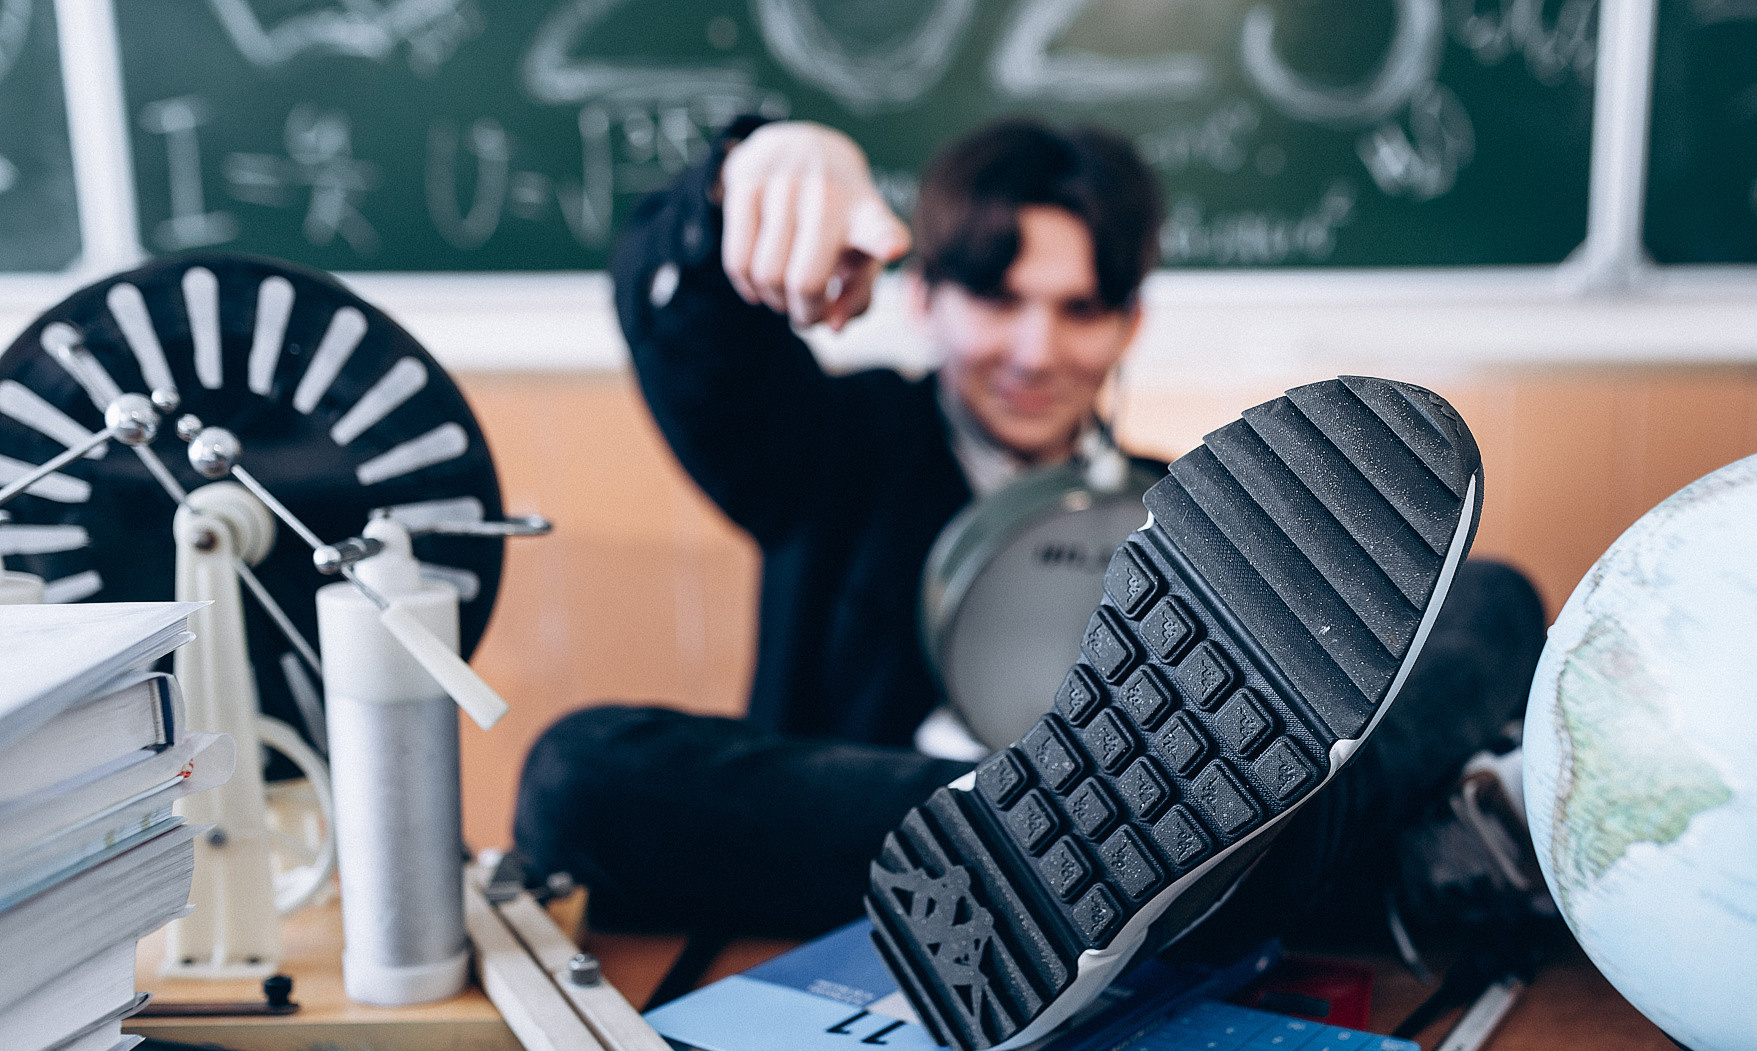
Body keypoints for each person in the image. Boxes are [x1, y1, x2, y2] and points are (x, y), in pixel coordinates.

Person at [513, 115, 1546, 954]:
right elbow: (693, 333)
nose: (1032, 350)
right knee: (577, 773)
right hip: (885, 885)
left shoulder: (1188, 512)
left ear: (1128, 321)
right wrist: (742, 173)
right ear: (922, 295)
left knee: (1492, 591)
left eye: (1078, 307)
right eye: (996, 297)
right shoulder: (828, 448)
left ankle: (1205, 850)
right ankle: (1196, 858)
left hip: (1121, 927)